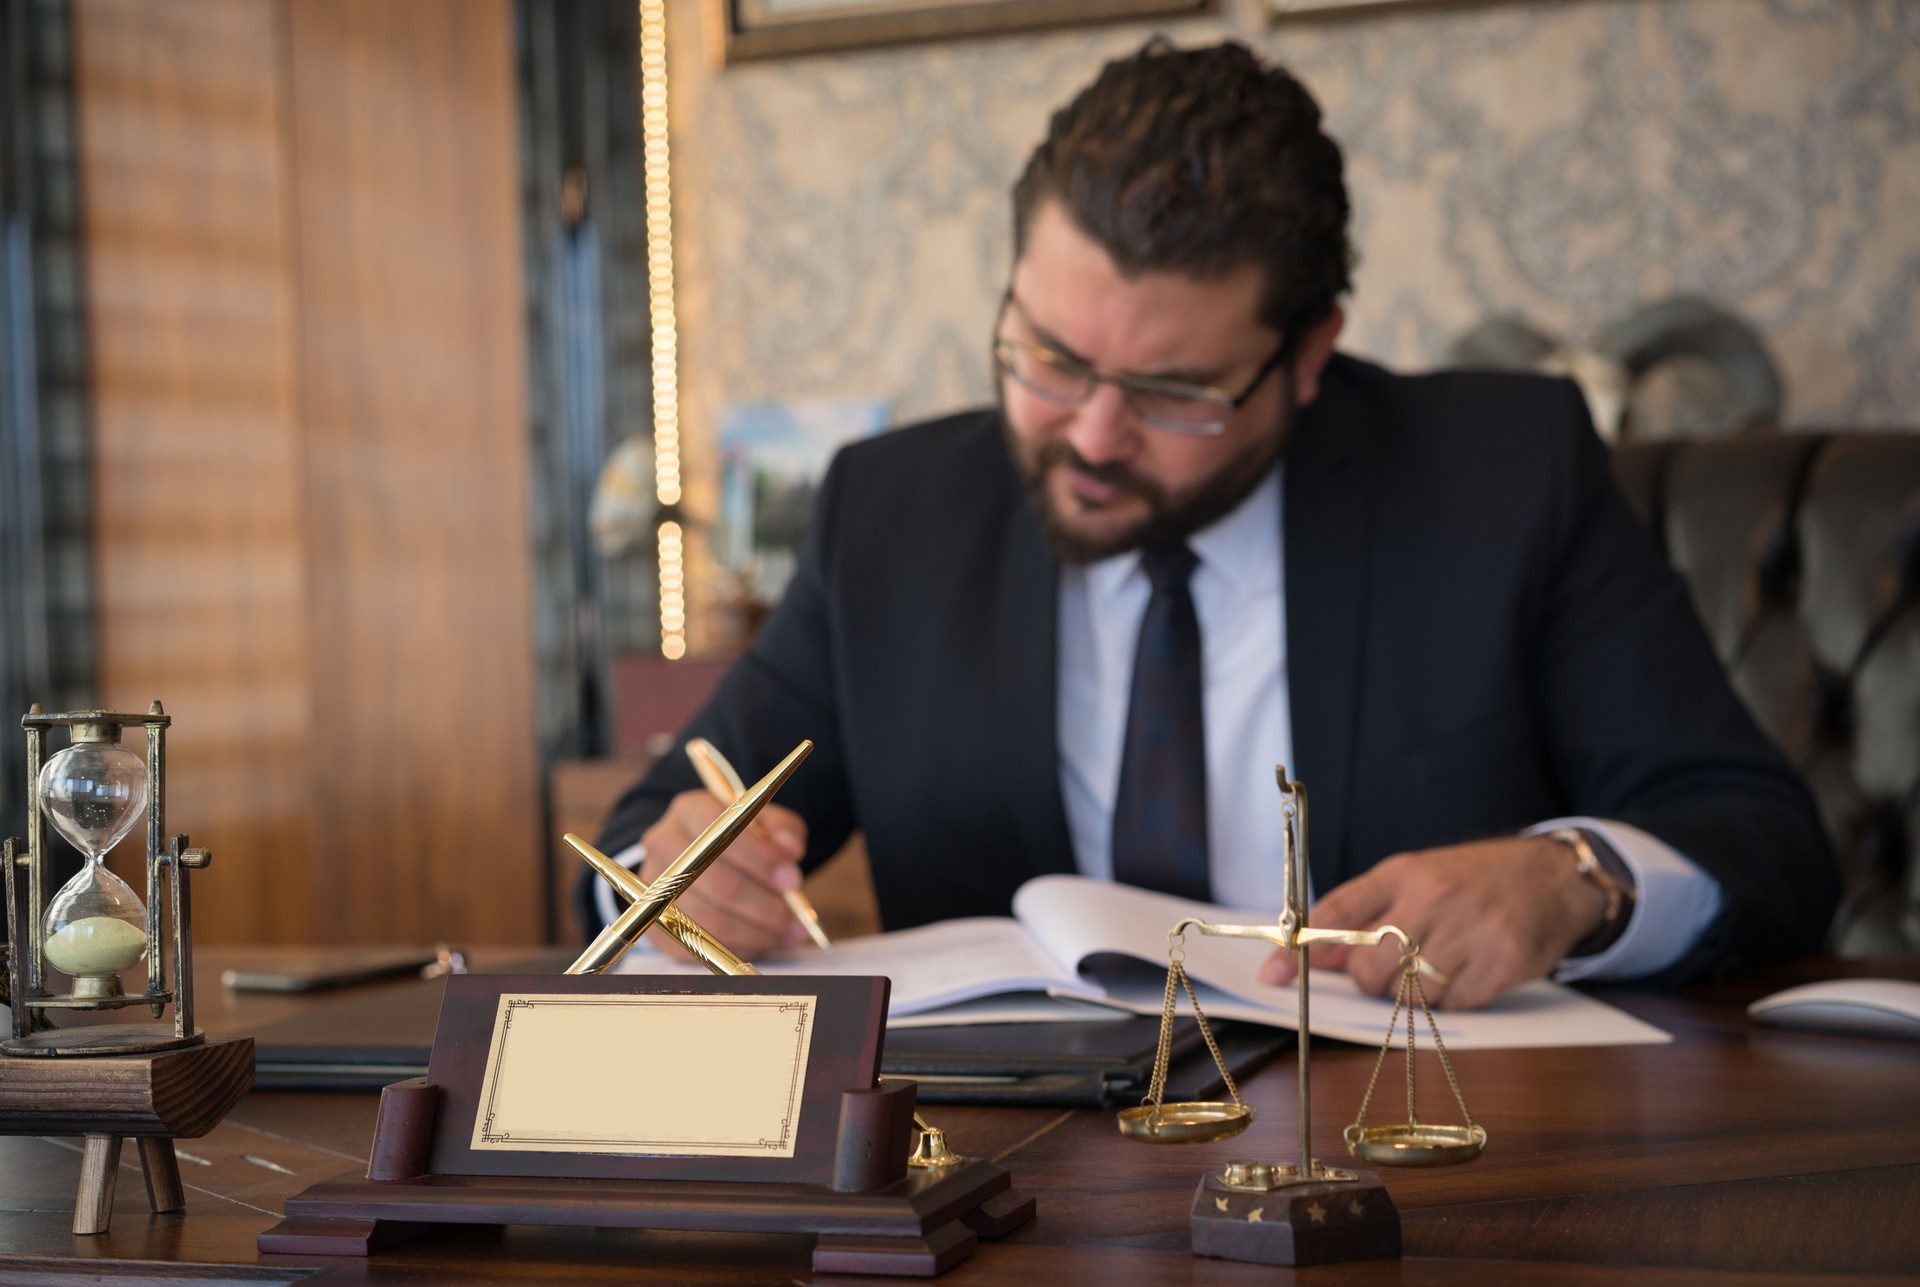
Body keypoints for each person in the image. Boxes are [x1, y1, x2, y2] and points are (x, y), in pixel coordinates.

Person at [581, 39, 1836, 1008]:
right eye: (1049, 357)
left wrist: (1573, 882)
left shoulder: (1505, 477)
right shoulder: (891, 516)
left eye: (1173, 393)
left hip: (1423, 1170)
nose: (1088, 435)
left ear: (1307, 359)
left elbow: (1766, 844)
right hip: (1009, 1198)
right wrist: (682, 880)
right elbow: (648, 831)